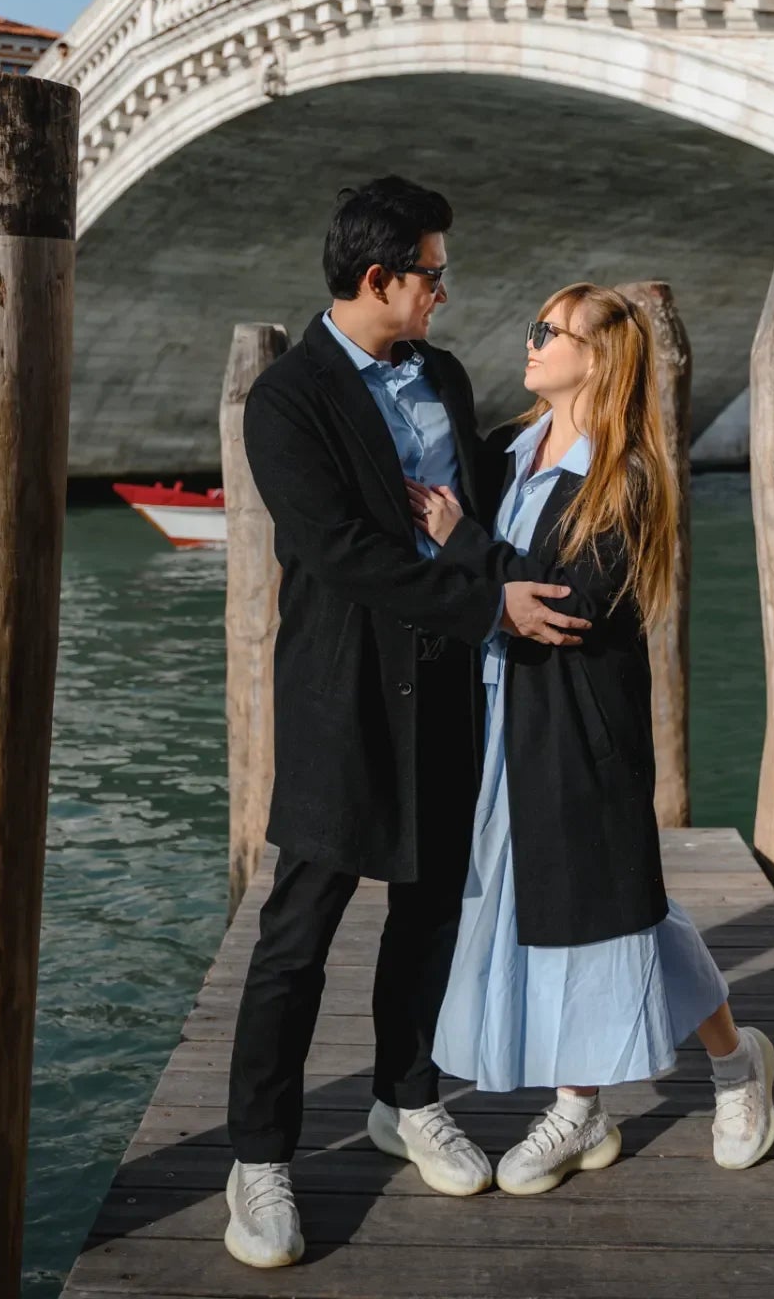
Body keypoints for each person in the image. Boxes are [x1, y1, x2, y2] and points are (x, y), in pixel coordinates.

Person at [222, 179, 591, 1269]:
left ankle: (404, 1095)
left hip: (451, 683)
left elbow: (476, 493)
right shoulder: (284, 401)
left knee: (431, 910)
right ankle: (257, 1159)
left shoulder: (442, 373)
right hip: (342, 691)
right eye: (431, 271)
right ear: (378, 279)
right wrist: (492, 601)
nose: (443, 289)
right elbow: (341, 552)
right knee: (299, 929)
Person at [415, 284, 774, 1194]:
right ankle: (729, 1065)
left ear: (600, 355)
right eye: (533, 324)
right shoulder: (508, 448)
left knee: (601, 908)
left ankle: (585, 1106)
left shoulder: (629, 477)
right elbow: (491, 584)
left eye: (548, 331)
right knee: (613, 906)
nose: (528, 342)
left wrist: (466, 543)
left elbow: (566, 609)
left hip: (579, 722)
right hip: (499, 714)